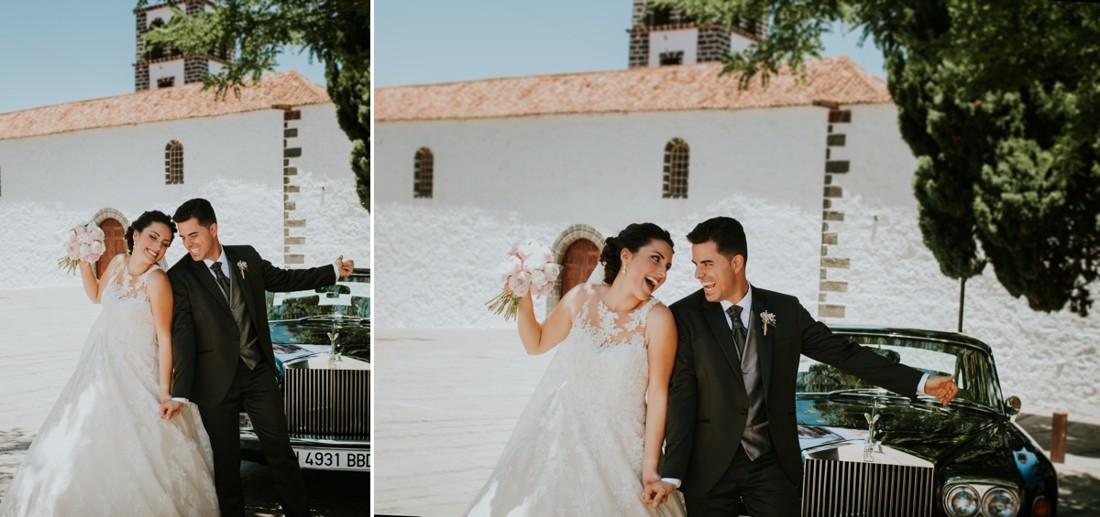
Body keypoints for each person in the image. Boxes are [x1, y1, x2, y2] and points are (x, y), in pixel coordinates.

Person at [643, 216, 960, 516]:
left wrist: (920, 381)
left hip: (770, 463)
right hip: (707, 467)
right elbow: (681, 394)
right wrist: (672, 474)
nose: (698, 275)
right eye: (696, 265)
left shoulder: (785, 310)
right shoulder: (684, 316)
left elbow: (844, 353)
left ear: (736, 263)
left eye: (707, 264)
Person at [0, 211, 219, 516]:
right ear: (136, 234)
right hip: (100, 365)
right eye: (153, 237)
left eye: (166, 243)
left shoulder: (157, 280)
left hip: (139, 370)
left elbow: (165, 339)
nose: (157, 247)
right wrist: (83, 259)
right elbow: (95, 295)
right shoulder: (116, 264)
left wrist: (165, 390)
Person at [465, 223, 687, 516]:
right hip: (558, 436)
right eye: (656, 258)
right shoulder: (582, 296)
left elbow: (658, 394)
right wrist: (524, 293)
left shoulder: (658, 319)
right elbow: (537, 342)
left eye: (668, 266)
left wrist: (649, 468)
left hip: (620, 447)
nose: (662, 273)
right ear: (626, 256)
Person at [164, 198, 354, 517]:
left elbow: (286, 280)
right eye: (182, 238)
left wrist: (332, 271)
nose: (187, 244)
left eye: (193, 235)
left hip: (257, 373)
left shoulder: (246, 257)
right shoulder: (181, 275)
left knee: (280, 451)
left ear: (213, 229)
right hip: (214, 383)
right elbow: (182, 334)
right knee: (226, 463)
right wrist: (180, 390)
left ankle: (298, 512)